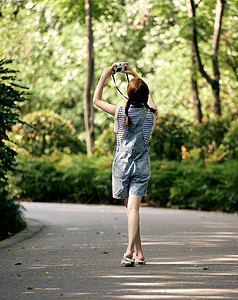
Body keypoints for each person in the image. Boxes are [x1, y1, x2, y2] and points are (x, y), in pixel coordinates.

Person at [93, 63, 158, 267]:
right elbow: (150, 102)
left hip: (122, 165)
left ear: (128, 95)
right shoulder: (151, 115)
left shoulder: (121, 112)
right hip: (142, 164)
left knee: (130, 210)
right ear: (145, 93)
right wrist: (135, 75)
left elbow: (96, 100)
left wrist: (105, 75)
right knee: (133, 210)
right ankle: (139, 253)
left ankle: (128, 252)